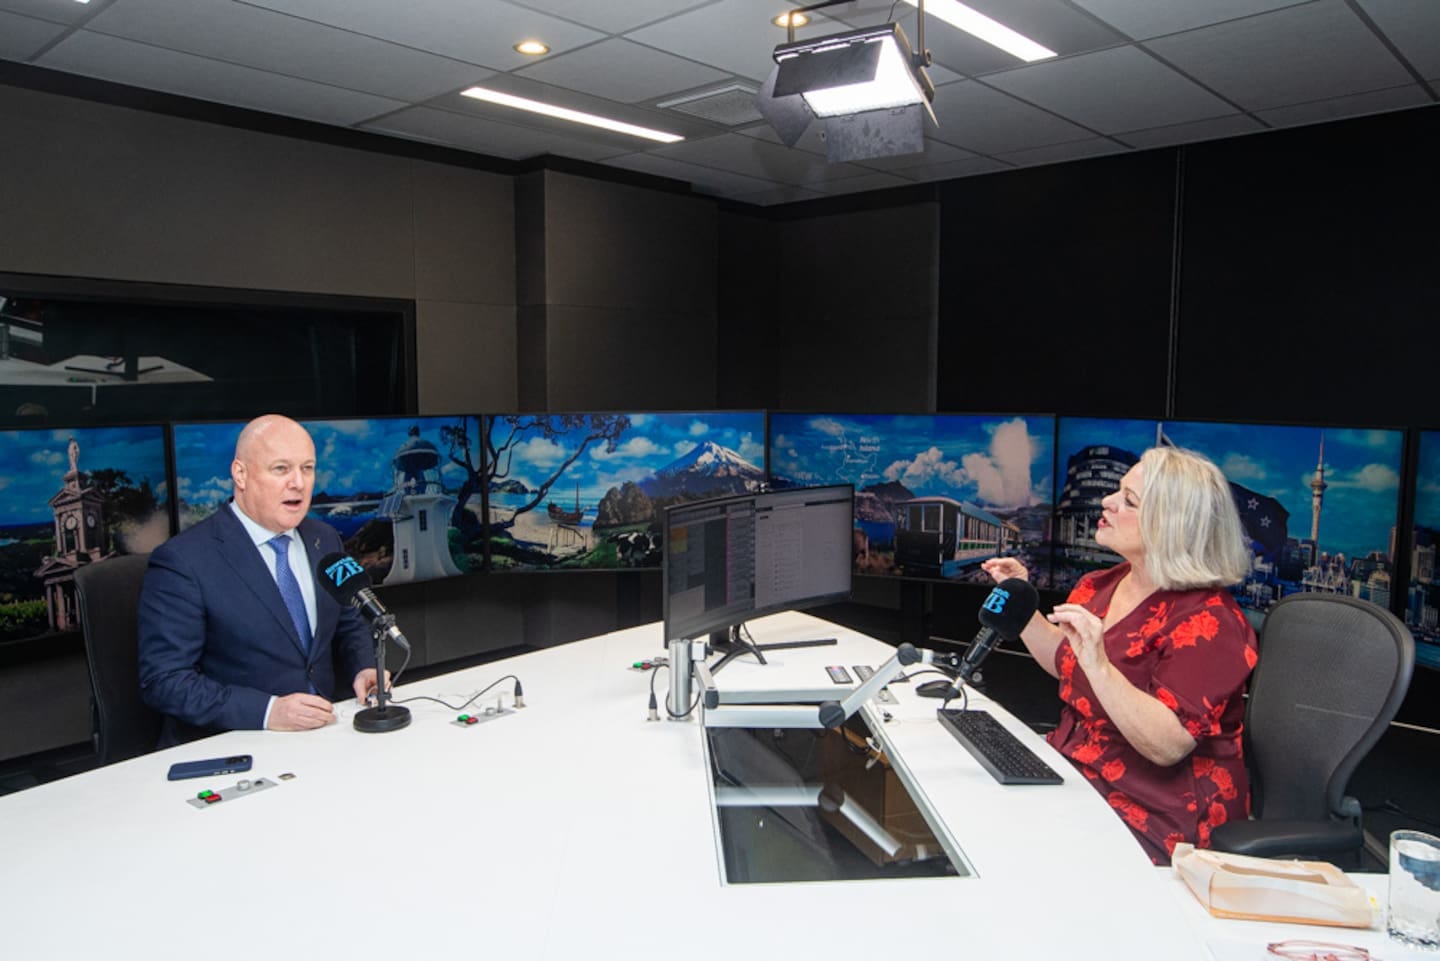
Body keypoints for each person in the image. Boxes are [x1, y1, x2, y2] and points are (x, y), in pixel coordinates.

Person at [982, 446, 1256, 865]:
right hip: (1077, 777)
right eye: (1117, 491)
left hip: (1157, 817)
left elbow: (1167, 744)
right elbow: (1066, 661)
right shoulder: (1100, 585)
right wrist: (1021, 604)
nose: (1107, 502)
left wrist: (1100, 665)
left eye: (1129, 500)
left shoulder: (1212, 622)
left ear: (1171, 526)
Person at [139, 414, 385, 745]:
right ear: (240, 473)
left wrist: (363, 668)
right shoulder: (184, 561)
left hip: (330, 736)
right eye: (281, 469)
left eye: (307, 468)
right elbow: (165, 680)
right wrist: (268, 712)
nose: (298, 482)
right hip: (240, 744)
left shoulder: (325, 539)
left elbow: (348, 622)